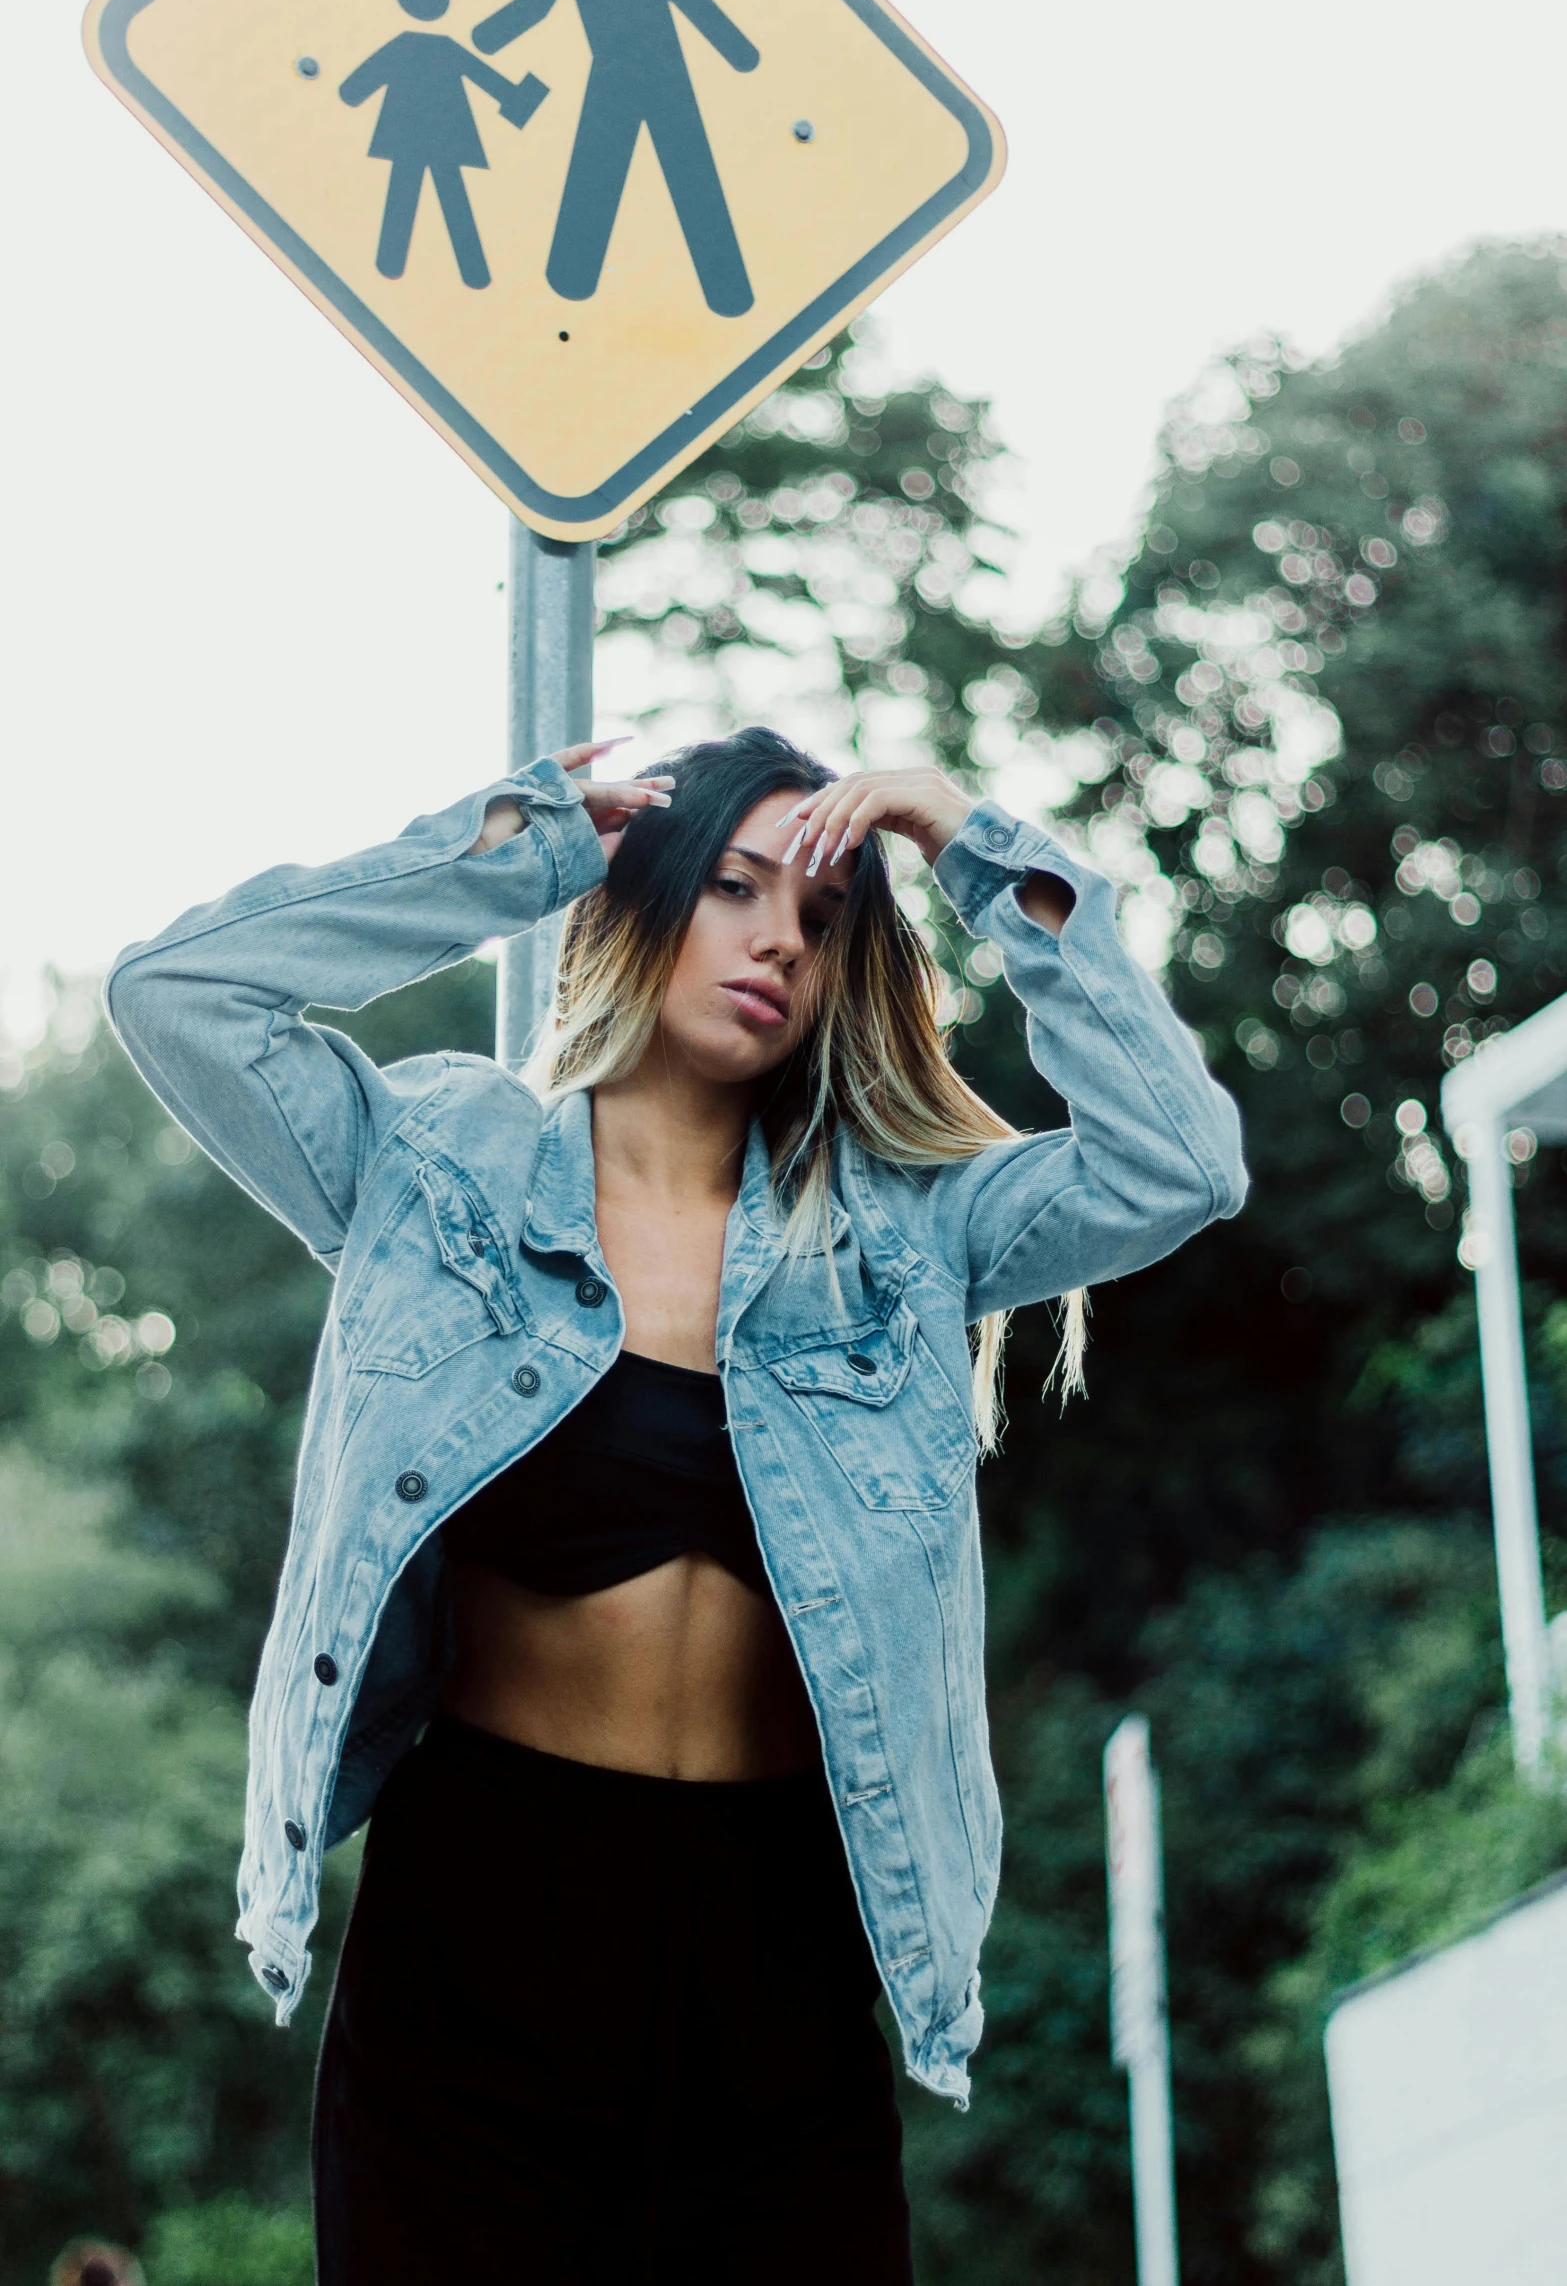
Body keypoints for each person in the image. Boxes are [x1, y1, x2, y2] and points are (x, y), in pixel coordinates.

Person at [105, 727, 1246, 2283]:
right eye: (730, 885)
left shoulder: (902, 1232)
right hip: (485, 1918)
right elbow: (177, 994)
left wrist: (971, 842)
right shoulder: (438, 1169)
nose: (780, 936)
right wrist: (516, 851)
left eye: (823, 913)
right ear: (639, 900)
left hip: (780, 1941)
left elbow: (1178, 1164)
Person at [472, 0, 759, 316]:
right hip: (644, 69)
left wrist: (485, 39)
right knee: (647, 172)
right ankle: (728, 294)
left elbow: (535, 5)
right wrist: (739, 52)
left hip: (629, 71)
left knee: (628, 171)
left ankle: (572, 279)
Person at [340, 0, 550, 290]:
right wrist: (517, 96)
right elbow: (490, 81)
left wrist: (352, 92)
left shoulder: (403, 45)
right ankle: (474, 272)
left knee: (404, 194)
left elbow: (353, 89)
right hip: (448, 135)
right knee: (452, 198)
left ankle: (392, 263)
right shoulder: (448, 48)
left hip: (407, 137)